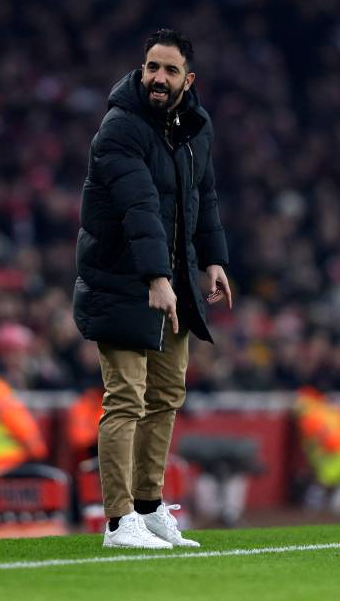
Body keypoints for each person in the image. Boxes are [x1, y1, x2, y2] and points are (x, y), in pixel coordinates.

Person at [72, 28, 231, 549]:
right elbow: (138, 207)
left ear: (189, 78)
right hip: (122, 280)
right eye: (151, 67)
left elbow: (202, 196)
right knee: (127, 399)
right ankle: (118, 521)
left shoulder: (195, 127)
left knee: (165, 396)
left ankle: (148, 505)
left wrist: (212, 260)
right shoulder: (121, 128)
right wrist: (156, 277)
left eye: (168, 70)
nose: (157, 78)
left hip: (174, 280)